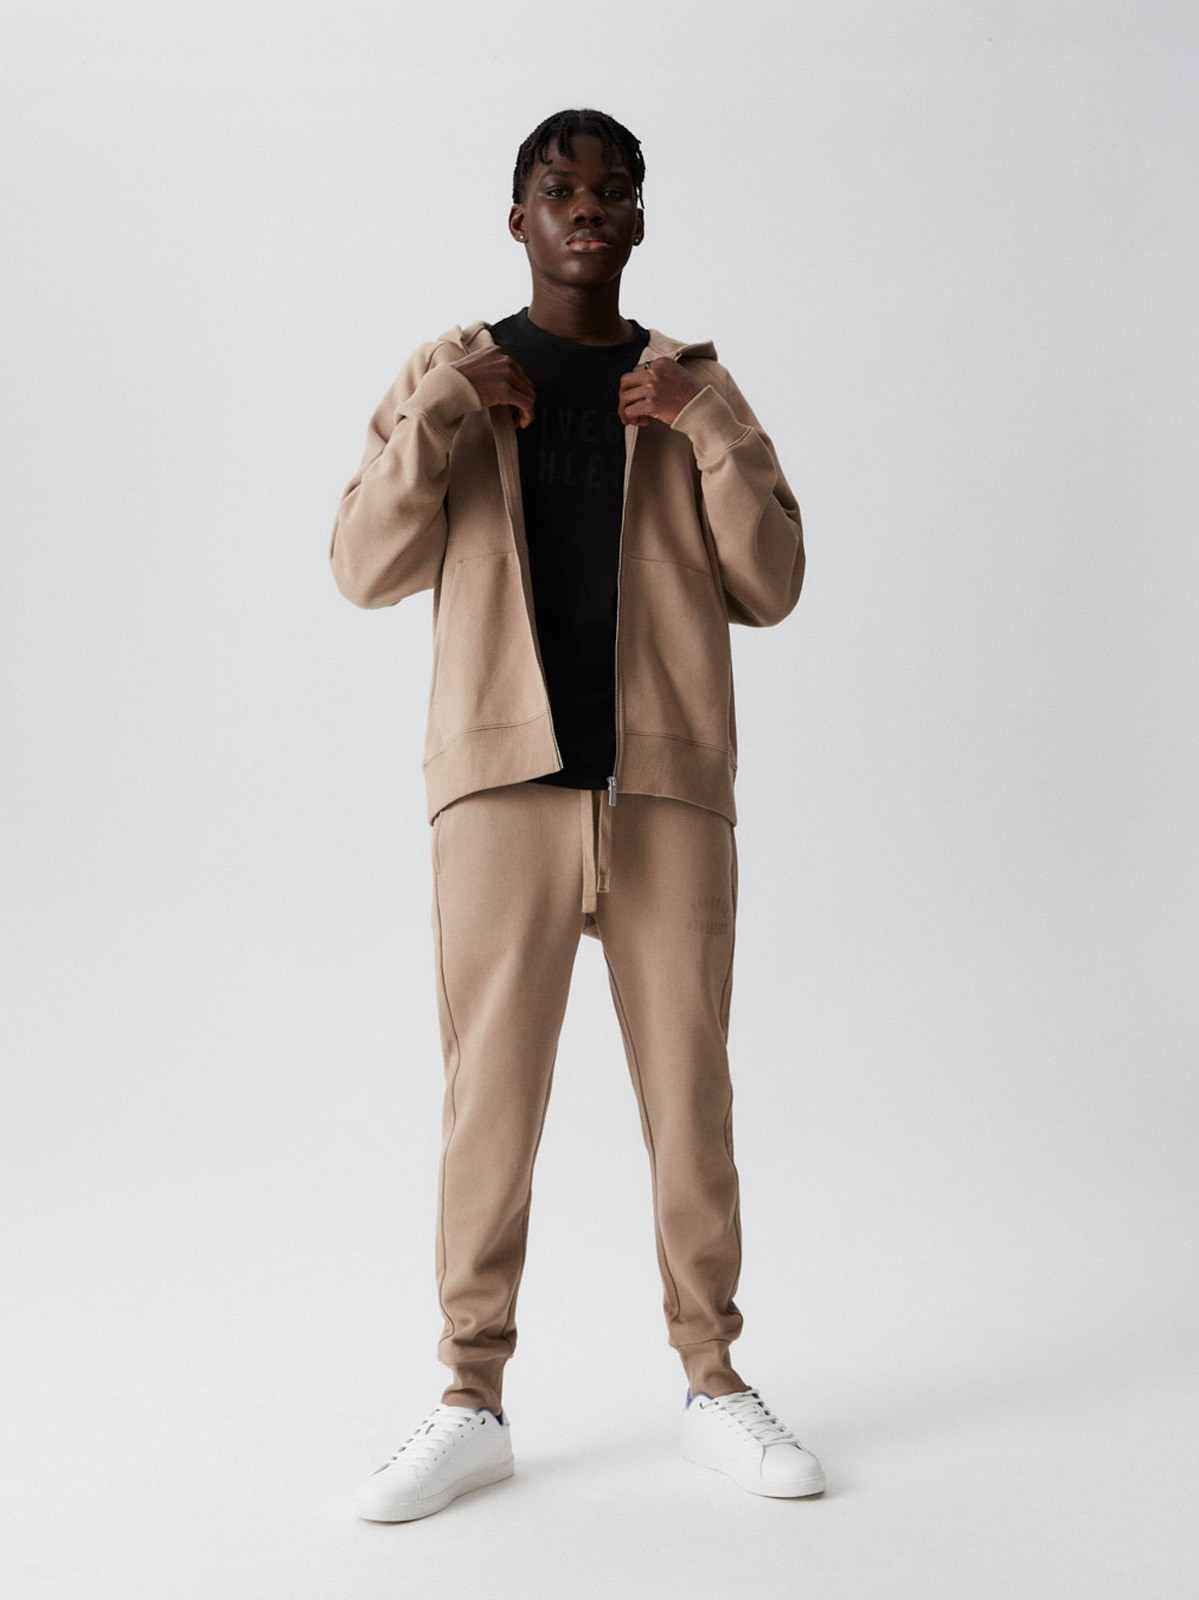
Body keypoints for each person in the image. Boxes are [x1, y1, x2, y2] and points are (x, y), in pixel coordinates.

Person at [330, 108, 823, 1521]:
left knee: (692, 1098)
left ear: (640, 217)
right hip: (502, 792)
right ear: (521, 219)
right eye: (560, 188)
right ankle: (468, 1399)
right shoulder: (451, 373)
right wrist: (447, 406)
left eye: (612, 189)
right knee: (488, 1102)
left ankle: (714, 1381)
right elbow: (363, 563)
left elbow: (774, 581)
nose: (587, 207)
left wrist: (706, 423)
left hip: (665, 789)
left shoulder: (692, 385)